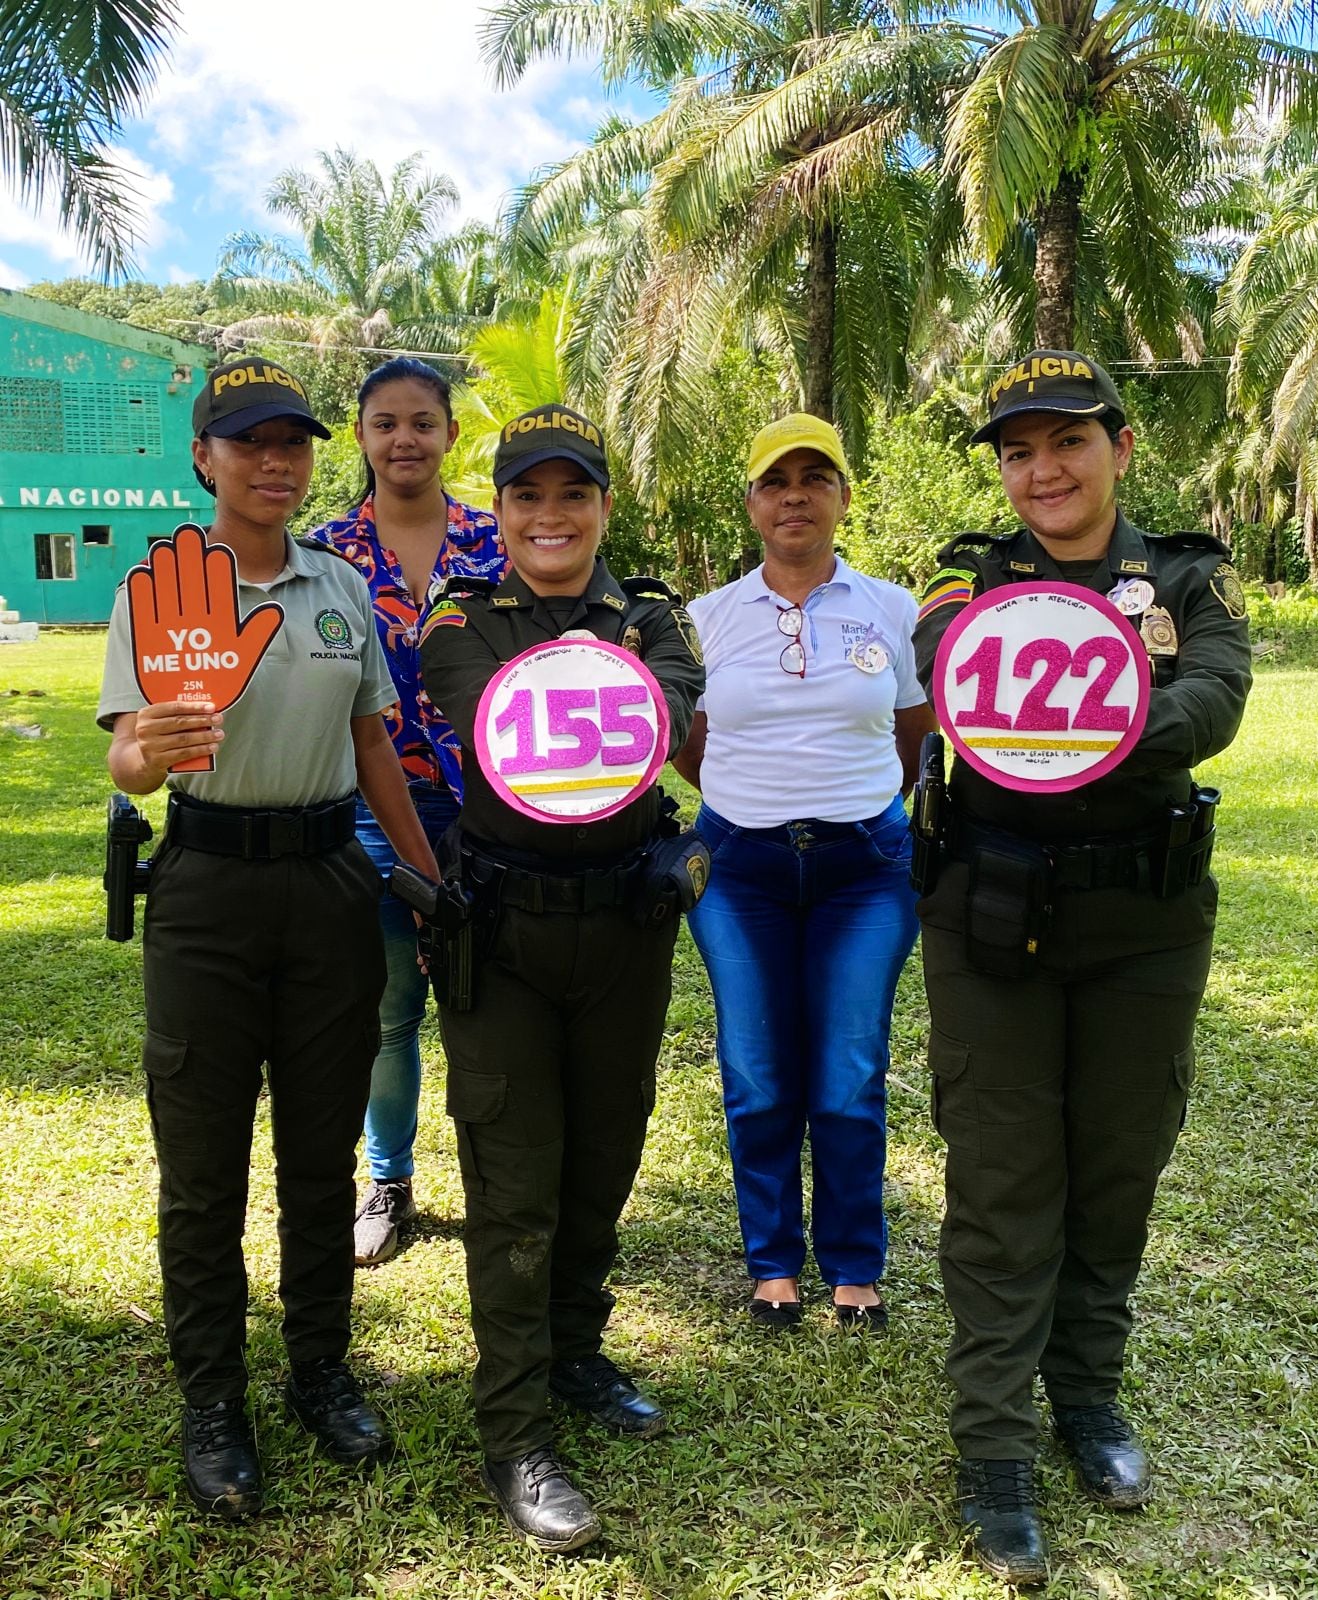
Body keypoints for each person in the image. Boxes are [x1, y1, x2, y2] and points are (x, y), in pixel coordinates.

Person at [911, 351, 1252, 1583]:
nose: (1039, 469)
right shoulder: (967, 578)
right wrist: (1093, 712)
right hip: (991, 915)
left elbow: (1212, 698)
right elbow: (947, 665)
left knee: (1116, 1165)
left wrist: (1095, 728)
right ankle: (992, 1449)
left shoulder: (1185, 575)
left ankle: (1087, 1397)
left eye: (1064, 442)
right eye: (1016, 450)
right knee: (1004, 1179)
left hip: (1145, 925)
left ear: (1116, 445)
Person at [98, 359, 442, 1519]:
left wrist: (426, 879)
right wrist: (148, 745)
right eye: (248, 442)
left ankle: (319, 1374)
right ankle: (214, 1405)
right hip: (203, 888)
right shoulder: (159, 588)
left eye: (290, 441)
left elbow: (374, 748)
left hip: (328, 883)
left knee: (316, 1157)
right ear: (205, 456)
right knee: (202, 1171)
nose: (274, 461)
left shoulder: (341, 588)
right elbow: (126, 758)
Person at [418, 404, 705, 1553]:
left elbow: (670, 711)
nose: (550, 515)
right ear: (498, 512)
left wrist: (637, 675)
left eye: (572, 493)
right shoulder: (460, 622)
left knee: (606, 1153)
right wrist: (617, 675)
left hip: (625, 930)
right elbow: (501, 717)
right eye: (526, 496)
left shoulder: (652, 614)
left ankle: (577, 1349)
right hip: (508, 939)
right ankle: (516, 1431)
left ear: (600, 505)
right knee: (515, 1178)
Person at [673, 413, 936, 1331]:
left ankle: (855, 1265)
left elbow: (911, 735)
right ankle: (773, 1263)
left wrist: (846, 799)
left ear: (842, 497)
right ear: (749, 502)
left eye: (814, 477)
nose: (795, 495)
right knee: (755, 1071)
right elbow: (685, 743)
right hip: (739, 868)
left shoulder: (893, 610)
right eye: (775, 479)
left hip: (866, 867)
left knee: (849, 1070)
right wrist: (756, 799)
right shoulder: (704, 621)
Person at [304, 358, 505, 1267]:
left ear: (451, 434)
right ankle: (387, 1182)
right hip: (363, 810)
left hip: (491, 810)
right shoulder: (323, 551)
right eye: (384, 423)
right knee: (386, 1012)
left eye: (422, 422)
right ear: (360, 436)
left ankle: (502, 1179)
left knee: (492, 1001)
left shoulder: (499, 543)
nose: (404, 440)